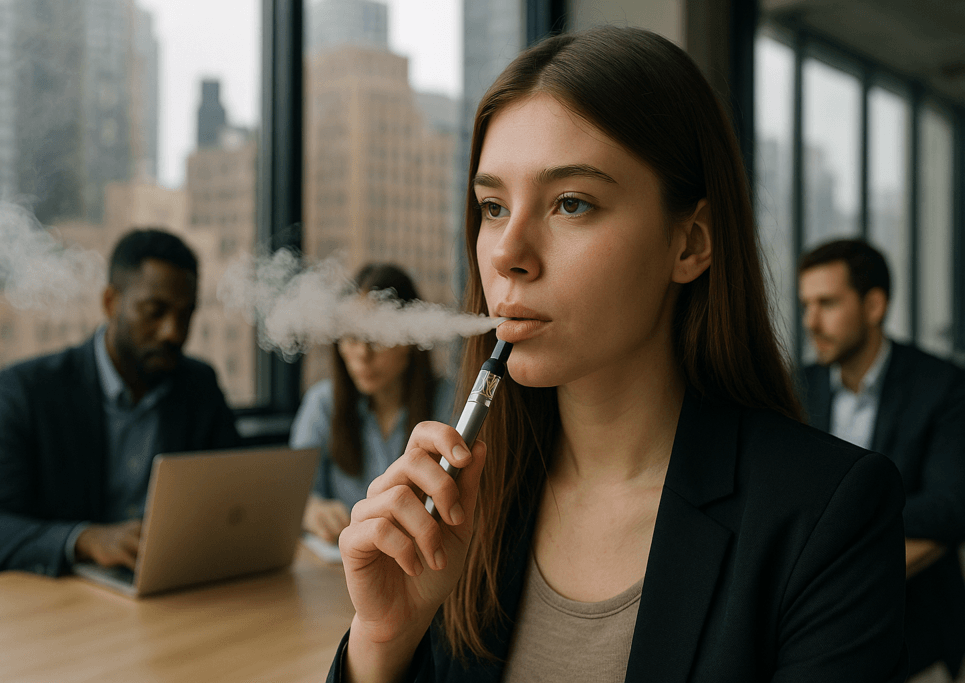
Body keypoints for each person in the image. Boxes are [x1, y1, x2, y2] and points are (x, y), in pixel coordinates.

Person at [327, 26, 910, 683]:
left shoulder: (827, 515)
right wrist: (382, 642)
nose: (507, 252)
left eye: (571, 203)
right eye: (492, 206)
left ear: (690, 242)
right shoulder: (464, 509)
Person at [0, 228, 240, 578]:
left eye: (186, 315)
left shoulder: (198, 385)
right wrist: (83, 539)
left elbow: (237, 495)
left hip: (169, 585)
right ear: (110, 302)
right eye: (155, 311)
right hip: (64, 594)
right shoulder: (28, 390)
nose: (173, 332)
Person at [797, 238, 965, 679]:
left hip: (918, 630)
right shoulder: (797, 387)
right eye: (806, 305)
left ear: (874, 306)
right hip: (812, 637)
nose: (810, 321)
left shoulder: (942, 386)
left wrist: (841, 522)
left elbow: (952, 506)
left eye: (827, 303)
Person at [290, 263, 454, 544]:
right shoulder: (323, 404)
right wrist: (312, 511)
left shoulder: (450, 401)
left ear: (411, 338)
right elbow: (294, 496)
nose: (362, 354)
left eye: (377, 337)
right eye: (351, 337)